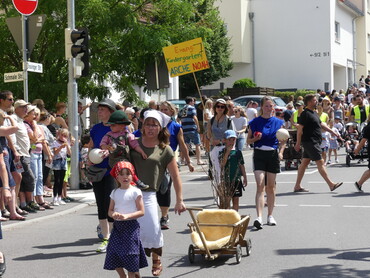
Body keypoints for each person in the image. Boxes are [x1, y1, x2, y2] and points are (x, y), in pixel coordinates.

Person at [130, 110, 186, 277]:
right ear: (142, 125)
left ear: (161, 128)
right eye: (147, 124)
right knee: (132, 233)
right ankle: (134, 269)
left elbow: (175, 177)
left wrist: (179, 200)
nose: (150, 128)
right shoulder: (133, 144)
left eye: (154, 125)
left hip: (148, 194)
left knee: (153, 229)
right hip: (129, 194)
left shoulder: (165, 150)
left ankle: (156, 259)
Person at [247, 96, 286, 229]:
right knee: (260, 185)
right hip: (259, 154)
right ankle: (259, 217)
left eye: (271, 106)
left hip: (273, 154)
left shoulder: (278, 122)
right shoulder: (254, 122)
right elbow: (248, 141)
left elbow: (284, 140)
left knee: (271, 187)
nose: (269, 108)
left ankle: (270, 215)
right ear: (262, 107)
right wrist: (255, 139)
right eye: (267, 106)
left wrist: (281, 152)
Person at [104, 161, 148, 278]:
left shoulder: (135, 191)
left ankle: (133, 275)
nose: (125, 177)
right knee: (113, 252)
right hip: (118, 227)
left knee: (130, 255)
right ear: (117, 176)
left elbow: (141, 211)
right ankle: (123, 276)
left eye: (128, 174)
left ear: (132, 175)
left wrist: (127, 216)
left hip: (131, 226)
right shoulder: (114, 192)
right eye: (122, 174)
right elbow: (110, 211)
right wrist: (114, 214)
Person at [293, 94, 343, 193]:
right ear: (309, 102)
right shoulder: (305, 114)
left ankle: (297, 186)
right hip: (310, 141)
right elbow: (299, 129)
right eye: (315, 100)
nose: (317, 102)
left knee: (304, 164)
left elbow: (322, 125)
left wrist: (333, 132)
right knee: (320, 162)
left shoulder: (314, 113)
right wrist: (298, 143)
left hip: (314, 141)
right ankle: (331, 184)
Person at [159, 101, 194, 229]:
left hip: (169, 160)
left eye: (165, 110)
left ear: (172, 112)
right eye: (161, 109)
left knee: (164, 188)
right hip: (153, 161)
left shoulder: (176, 127)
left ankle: (164, 216)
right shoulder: (153, 125)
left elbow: (183, 145)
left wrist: (188, 161)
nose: (163, 112)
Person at [88, 98, 117, 253]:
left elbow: (123, 144)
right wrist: (88, 159)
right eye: (98, 109)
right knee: (100, 203)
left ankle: (113, 236)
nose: (99, 112)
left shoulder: (117, 128)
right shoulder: (95, 128)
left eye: (102, 109)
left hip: (112, 170)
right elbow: (91, 146)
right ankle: (106, 237)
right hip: (97, 170)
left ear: (110, 112)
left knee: (110, 202)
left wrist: (111, 150)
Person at [100, 110, 149, 190]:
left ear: (122, 126)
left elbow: (135, 145)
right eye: (110, 125)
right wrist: (107, 147)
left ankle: (135, 182)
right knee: (121, 168)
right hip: (114, 160)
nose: (111, 127)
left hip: (125, 158)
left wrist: (142, 152)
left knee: (127, 167)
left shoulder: (128, 135)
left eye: (113, 125)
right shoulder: (108, 135)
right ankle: (128, 184)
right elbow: (102, 144)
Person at [219, 130, 247, 211]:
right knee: (227, 200)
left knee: (236, 200)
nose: (231, 142)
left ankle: (235, 216)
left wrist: (244, 177)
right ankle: (228, 218)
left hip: (236, 180)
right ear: (224, 140)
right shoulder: (222, 152)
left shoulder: (238, 152)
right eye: (229, 140)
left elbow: (241, 165)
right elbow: (222, 165)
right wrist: (227, 153)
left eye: (233, 139)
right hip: (226, 180)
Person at [177, 97, 205, 165]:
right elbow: (194, 118)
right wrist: (198, 127)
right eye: (193, 101)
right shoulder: (192, 108)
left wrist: (181, 126)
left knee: (186, 145)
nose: (194, 103)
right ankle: (199, 160)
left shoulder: (182, 109)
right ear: (190, 102)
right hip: (192, 129)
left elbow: (178, 119)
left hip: (184, 129)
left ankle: (185, 160)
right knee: (197, 144)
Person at [51, 128, 71, 206]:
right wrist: (60, 147)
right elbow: (55, 152)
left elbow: (69, 154)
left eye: (65, 136)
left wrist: (67, 146)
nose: (63, 137)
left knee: (62, 180)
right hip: (57, 160)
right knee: (57, 180)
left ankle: (60, 197)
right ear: (59, 135)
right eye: (62, 135)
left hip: (64, 160)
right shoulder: (55, 142)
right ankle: (55, 198)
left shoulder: (67, 143)